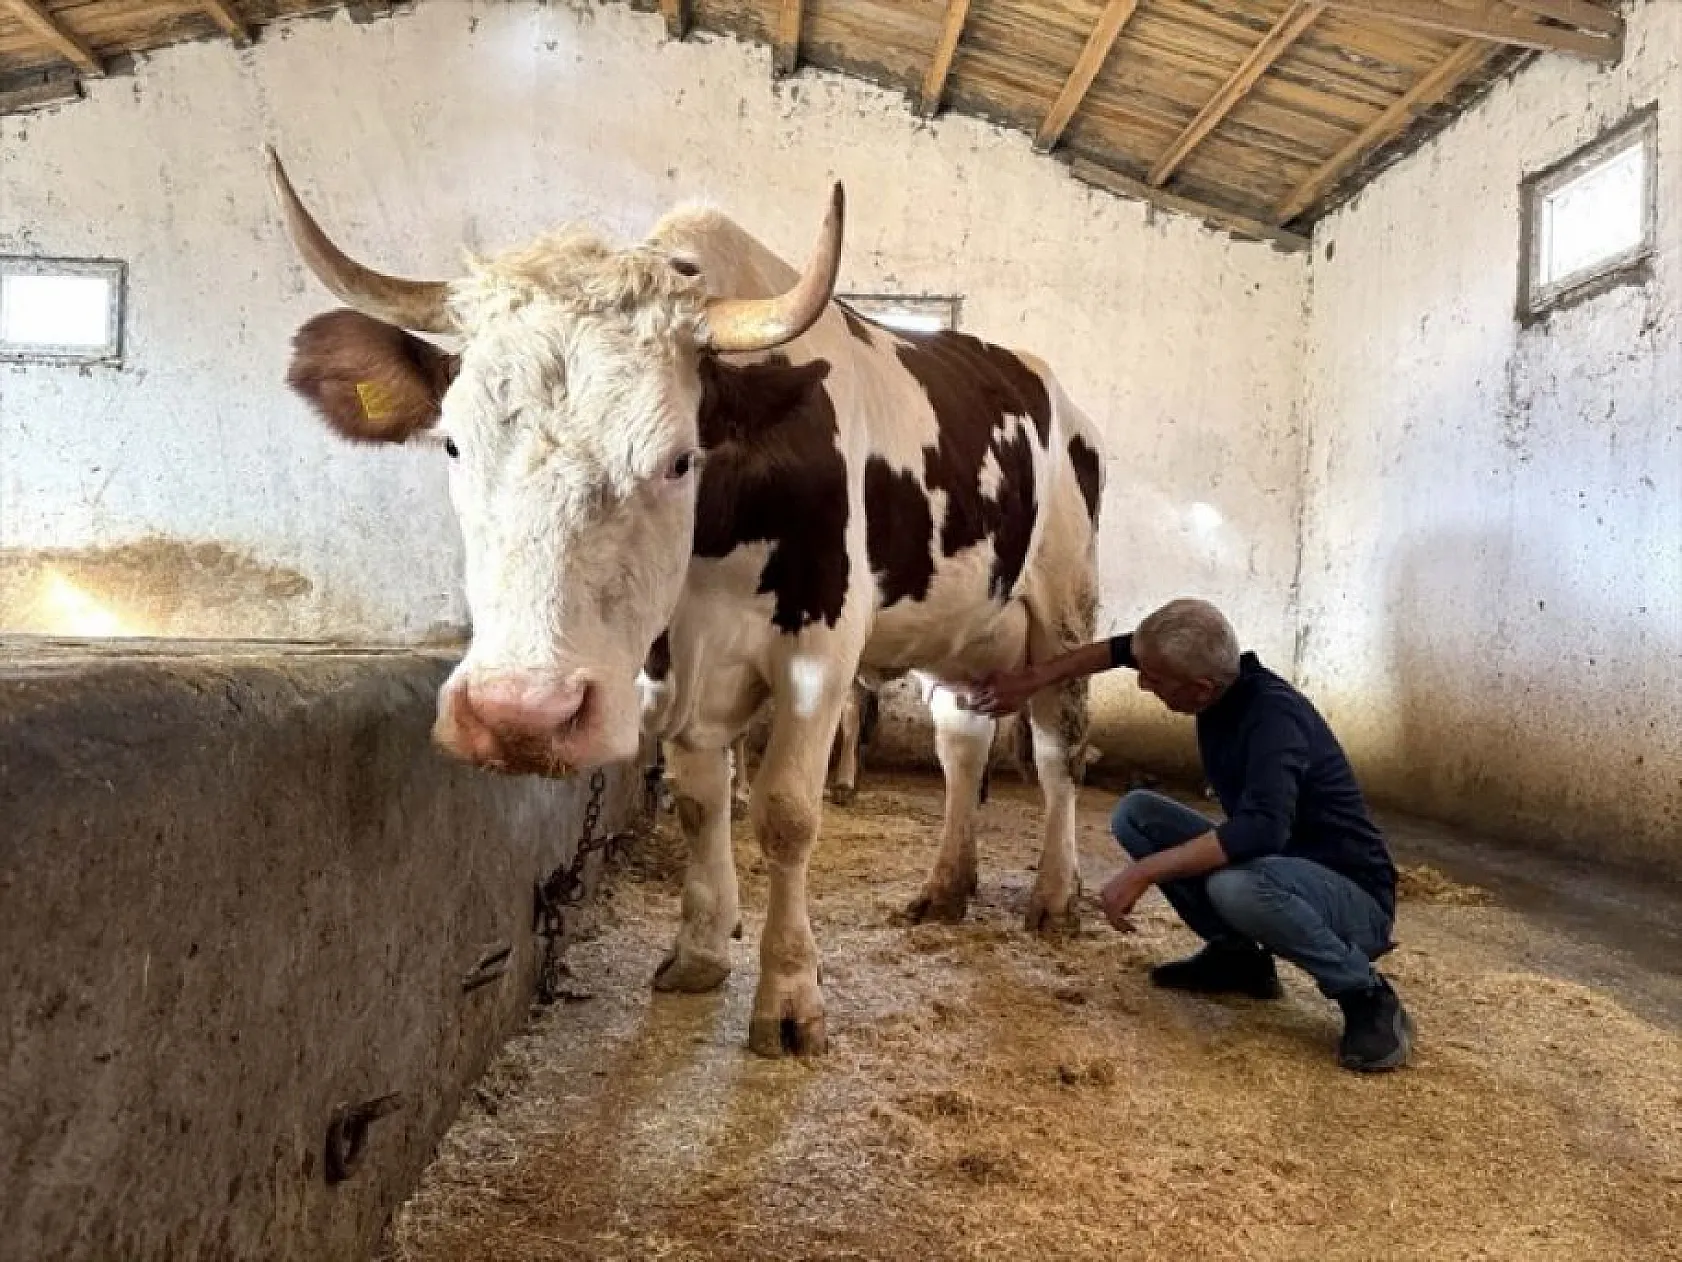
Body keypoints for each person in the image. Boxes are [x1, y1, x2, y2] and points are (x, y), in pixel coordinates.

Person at [967, 598, 1413, 1073]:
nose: (1141, 682)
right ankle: (1238, 960)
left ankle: (1364, 993)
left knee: (1235, 886)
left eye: (1154, 680)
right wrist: (1032, 681)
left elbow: (1260, 830)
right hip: (1282, 867)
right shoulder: (1220, 680)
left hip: (1350, 896)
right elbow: (1116, 652)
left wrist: (1143, 872)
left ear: (1199, 689)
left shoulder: (1272, 721)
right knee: (1136, 815)